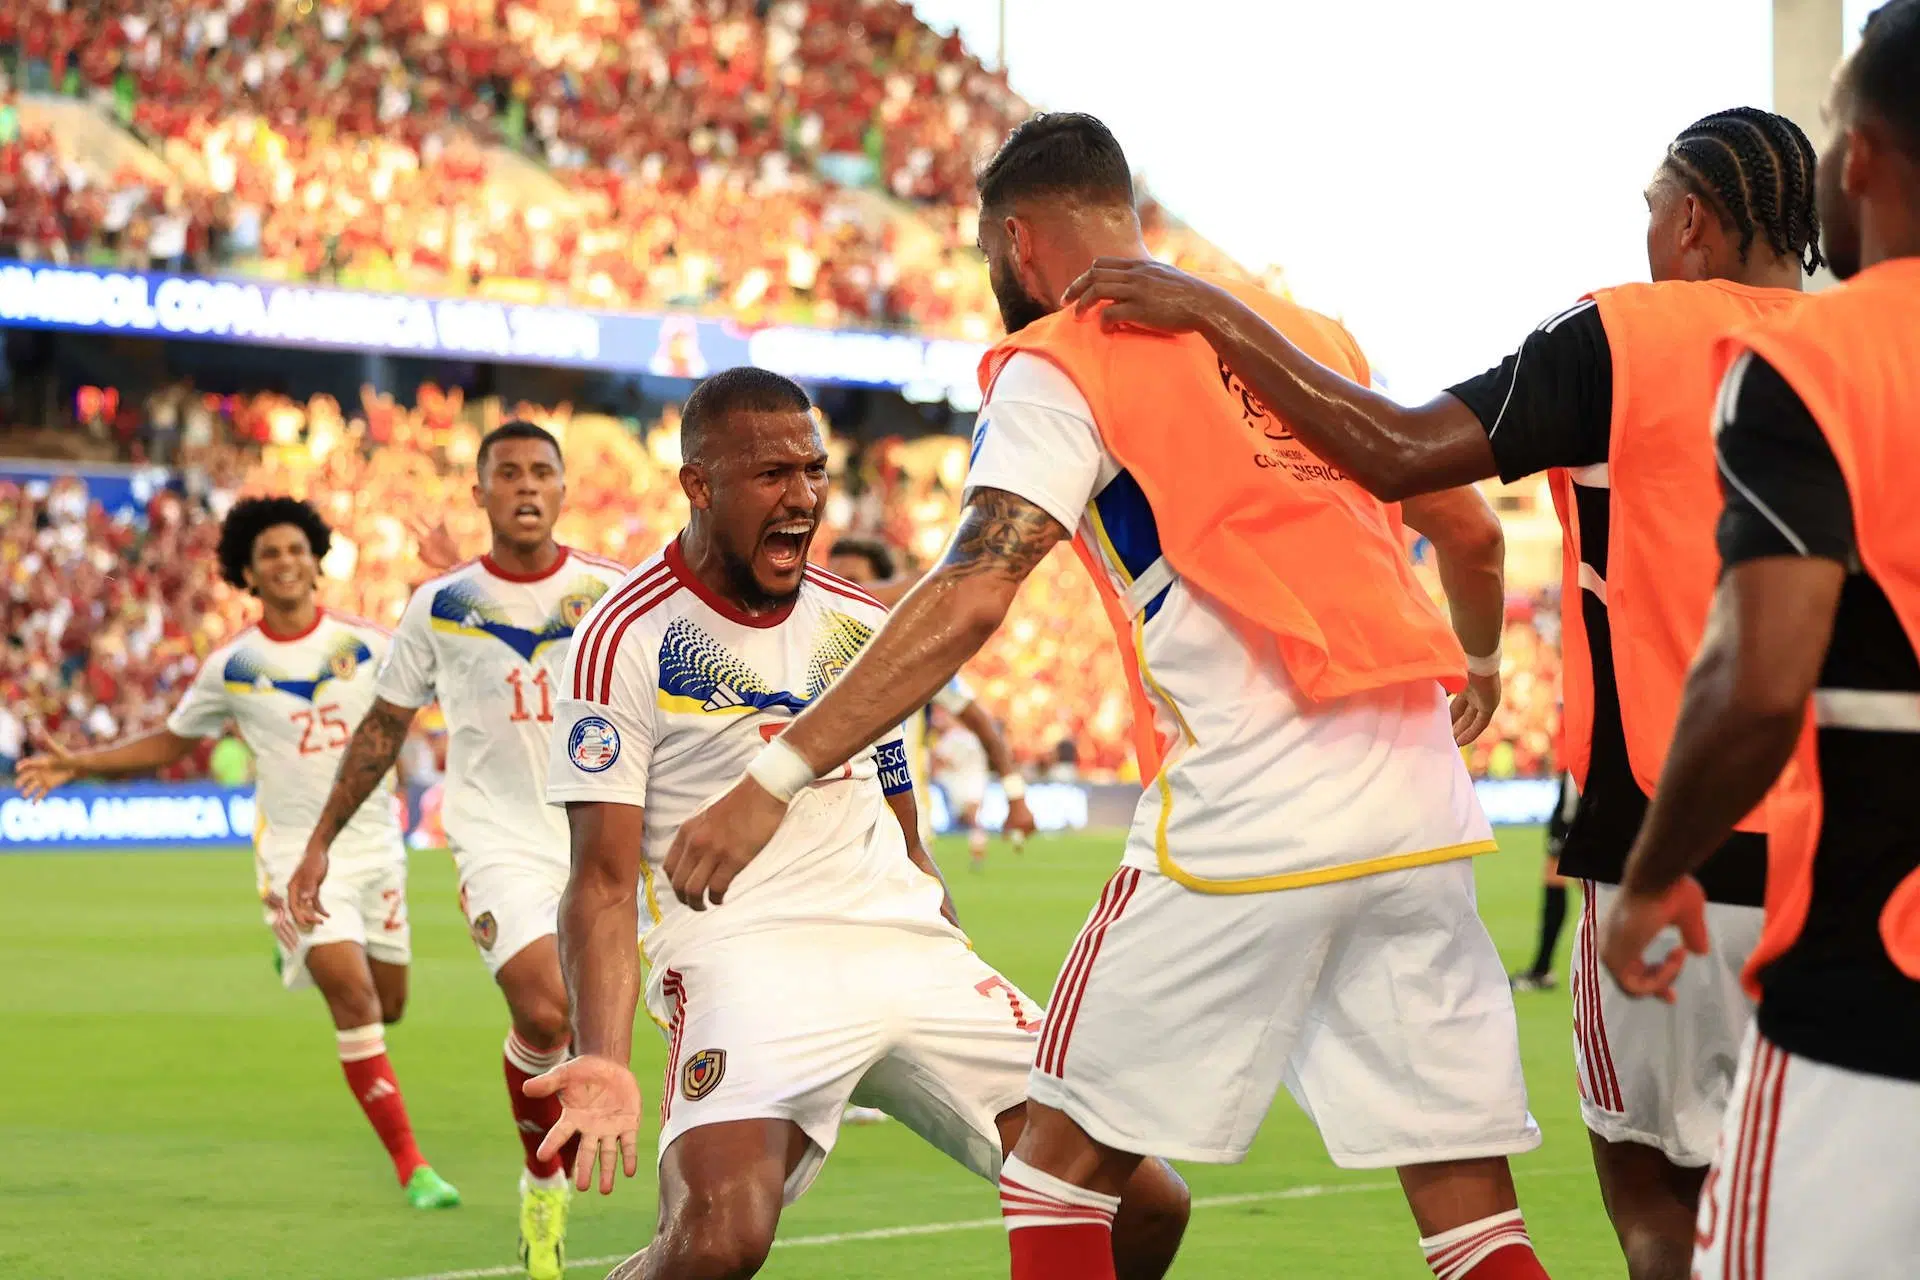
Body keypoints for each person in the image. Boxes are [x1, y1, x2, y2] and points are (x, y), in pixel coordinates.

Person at [659, 116, 1545, 1280]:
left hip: (1249, 809)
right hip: (1421, 801)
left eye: (988, 257)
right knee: (1473, 1213)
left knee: (1054, 1174)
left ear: (1021, 244)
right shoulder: (1307, 331)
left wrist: (773, 776)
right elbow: (1471, 529)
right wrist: (1479, 666)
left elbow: (976, 592)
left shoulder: (1067, 354)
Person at [1061, 106, 1822, 1280]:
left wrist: (1215, 310)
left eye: (1649, 214)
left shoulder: (1627, 332)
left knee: (1662, 1198)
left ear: (1691, 219)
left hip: (1667, 835)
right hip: (1852, 849)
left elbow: (1407, 454)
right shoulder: (1877, 348)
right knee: (1822, 1193)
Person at [520, 367, 1190, 1280]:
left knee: (1146, 1207)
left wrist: (937, 916)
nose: (800, 499)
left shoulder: (863, 619)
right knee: (717, 1244)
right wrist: (602, 1057)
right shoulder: (623, 636)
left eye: (813, 471)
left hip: (902, 947)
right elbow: (599, 879)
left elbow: (894, 803)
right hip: (742, 955)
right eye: (769, 476)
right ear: (698, 484)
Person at [1602, 5, 1920, 1275]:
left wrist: (1650, 870)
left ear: (1863, 158)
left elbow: (1758, 675)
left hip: (1874, 984)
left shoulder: (1816, 357)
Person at [14, 496, 460, 1210]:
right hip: (291, 855)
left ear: (317, 560)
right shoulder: (232, 665)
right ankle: (414, 1168)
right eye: (268, 556)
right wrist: (82, 763)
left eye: (294, 550)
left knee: (389, 1003)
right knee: (352, 997)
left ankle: (297, 954)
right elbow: (171, 740)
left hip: (376, 847)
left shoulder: (373, 642)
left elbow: (456, 672)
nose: (284, 563)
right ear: (247, 575)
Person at [285, 422, 628, 1280]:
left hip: (606, 836)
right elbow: (382, 728)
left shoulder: (612, 595)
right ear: (478, 493)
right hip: (495, 837)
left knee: (626, 1016)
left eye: (540, 472)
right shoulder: (439, 604)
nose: (524, 485)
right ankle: (542, 1186)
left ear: (562, 490)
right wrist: (319, 842)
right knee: (548, 1011)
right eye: (505, 472)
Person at [826, 536, 1038, 854]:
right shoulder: (812, 650)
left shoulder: (915, 655)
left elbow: (983, 728)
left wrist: (1015, 795)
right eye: (832, 580)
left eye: (852, 581)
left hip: (900, 836)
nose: (835, 590)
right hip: (830, 833)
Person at [1511, 772, 1576, 991]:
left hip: (1578, 784)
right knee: (1586, 883)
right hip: (1573, 781)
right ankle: (1542, 968)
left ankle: (1542, 969)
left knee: (1561, 878)